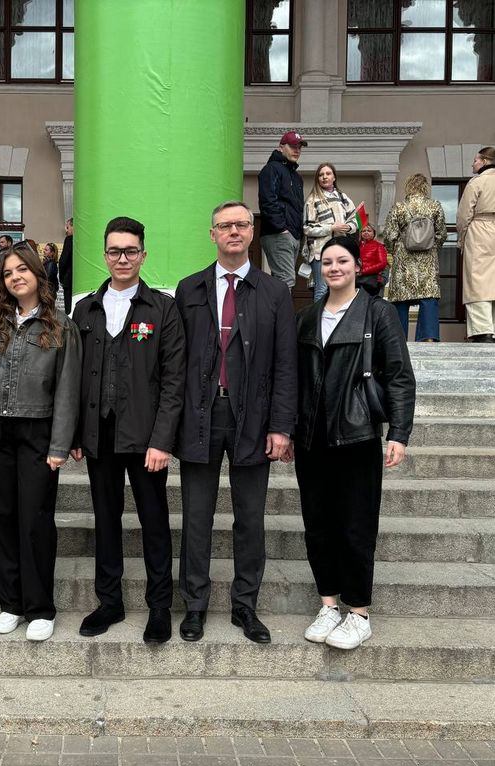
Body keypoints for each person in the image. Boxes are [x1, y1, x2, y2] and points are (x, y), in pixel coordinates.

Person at [174, 201, 297, 644]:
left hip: (254, 419)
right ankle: (194, 605)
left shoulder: (274, 291)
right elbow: (176, 363)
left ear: (251, 232)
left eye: (242, 224)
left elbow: (286, 364)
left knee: (250, 518)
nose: (234, 232)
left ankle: (245, 605)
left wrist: (281, 426)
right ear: (212, 234)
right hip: (200, 417)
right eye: (225, 225)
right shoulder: (189, 289)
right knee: (196, 517)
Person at [285, 235, 415, 650]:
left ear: (358, 266)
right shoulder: (307, 317)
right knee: (318, 524)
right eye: (327, 262)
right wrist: (289, 429)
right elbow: (293, 379)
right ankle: (328, 604)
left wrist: (399, 433)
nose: (334, 268)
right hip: (312, 438)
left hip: (357, 434)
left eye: (342, 261)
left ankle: (358, 612)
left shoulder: (377, 313)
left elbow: (399, 374)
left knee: (356, 526)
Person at [71, 217, 186, 644]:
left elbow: (174, 380)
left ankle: (160, 606)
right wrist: (76, 434)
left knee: (154, 521)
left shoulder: (162, 309)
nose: (123, 258)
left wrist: (162, 440)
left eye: (130, 251)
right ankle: (110, 601)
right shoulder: (85, 309)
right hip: (99, 435)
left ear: (143, 255)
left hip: (146, 438)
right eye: (115, 251)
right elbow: (74, 378)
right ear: (105, 255)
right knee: (106, 520)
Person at [0, 242, 80, 642]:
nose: (15, 277)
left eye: (22, 269)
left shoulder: (60, 325)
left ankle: (39, 607)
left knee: (34, 520)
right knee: (0, 518)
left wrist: (59, 444)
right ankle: (11, 604)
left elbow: (68, 388)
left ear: (38, 273)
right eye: (7, 273)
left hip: (38, 431)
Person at [458, 147, 495, 342]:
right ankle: (494, 328)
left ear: (483, 161)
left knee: (477, 280)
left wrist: (462, 237)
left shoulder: (476, 182)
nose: (472, 163)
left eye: (475, 160)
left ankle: (482, 330)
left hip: (479, 228)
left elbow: (464, 214)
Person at [382, 173, 447, 342]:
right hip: (428, 258)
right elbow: (442, 233)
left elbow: (389, 235)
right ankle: (428, 337)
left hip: (404, 257)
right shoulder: (434, 206)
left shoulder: (399, 207)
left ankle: (398, 339)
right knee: (429, 296)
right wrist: (432, 247)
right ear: (425, 187)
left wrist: (394, 251)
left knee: (401, 299)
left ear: (408, 186)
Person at [258, 131, 307, 291]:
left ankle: (271, 309)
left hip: (292, 234)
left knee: (280, 281)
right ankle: (282, 310)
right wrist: (282, 229)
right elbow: (268, 201)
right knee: (286, 280)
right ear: (281, 147)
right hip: (279, 233)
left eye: (299, 147)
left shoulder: (296, 177)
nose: (297, 150)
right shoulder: (271, 169)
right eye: (292, 146)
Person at [302, 162, 358, 301]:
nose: (324, 177)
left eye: (328, 173)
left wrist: (349, 227)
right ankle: (319, 316)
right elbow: (307, 228)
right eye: (321, 175)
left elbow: (356, 220)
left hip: (341, 248)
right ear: (317, 179)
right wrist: (331, 228)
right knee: (322, 289)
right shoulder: (312, 200)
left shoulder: (343, 197)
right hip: (319, 251)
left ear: (334, 177)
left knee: (341, 287)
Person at [357, 224, 388, 297]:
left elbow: (382, 263)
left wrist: (363, 271)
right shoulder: (357, 246)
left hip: (372, 281)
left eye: (369, 231)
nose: (366, 232)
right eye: (363, 231)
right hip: (358, 280)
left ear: (374, 233)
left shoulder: (379, 246)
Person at [61, 218, 74, 313]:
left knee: (69, 310)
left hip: (69, 279)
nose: (67, 230)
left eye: (68, 227)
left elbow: (64, 260)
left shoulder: (69, 240)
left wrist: (61, 278)